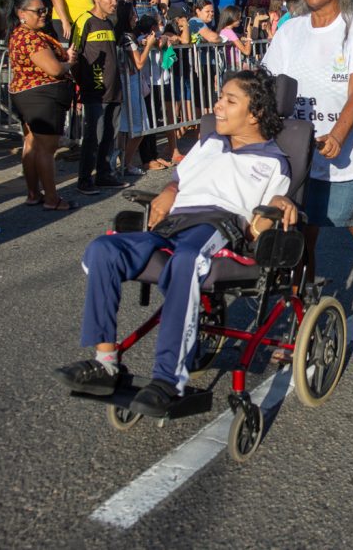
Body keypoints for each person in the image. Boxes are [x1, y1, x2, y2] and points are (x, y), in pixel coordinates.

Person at [53, 67, 296, 417]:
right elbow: (179, 181)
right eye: (219, 98)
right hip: (173, 225)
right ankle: (106, 363)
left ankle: (168, 380)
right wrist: (168, 190)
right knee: (104, 249)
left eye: (230, 101)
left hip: (218, 227)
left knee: (188, 259)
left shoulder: (274, 161)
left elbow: (273, 209)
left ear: (255, 112)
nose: (218, 107)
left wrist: (279, 204)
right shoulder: (209, 143)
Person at [261, 0, 353, 318]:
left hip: (348, 151)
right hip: (297, 151)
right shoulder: (289, 31)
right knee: (303, 233)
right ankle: (305, 309)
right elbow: (270, 86)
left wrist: (337, 135)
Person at [8, 0, 77, 210]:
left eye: (44, 10)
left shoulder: (21, 34)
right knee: (46, 149)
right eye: (38, 11)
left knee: (31, 144)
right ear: (21, 14)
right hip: (41, 95)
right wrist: (69, 63)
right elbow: (54, 69)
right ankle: (52, 198)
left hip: (27, 93)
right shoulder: (29, 37)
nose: (43, 14)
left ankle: (33, 194)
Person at [72, 0, 128, 195]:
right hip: (95, 90)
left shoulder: (110, 23)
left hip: (114, 89)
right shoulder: (85, 20)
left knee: (109, 135)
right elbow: (74, 55)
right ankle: (85, 179)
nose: (114, 3)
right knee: (93, 136)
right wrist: (83, 83)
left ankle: (104, 175)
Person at [113, 2, 159, 177]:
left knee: (126, 129)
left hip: (126, 84)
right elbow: (139, 63)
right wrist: (148, 45)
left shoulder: (124, 36)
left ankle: (123, 163)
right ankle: (126, 163)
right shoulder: (126, 37)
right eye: (132, 15)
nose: (136, 18)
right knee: (138, 129)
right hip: (129, 85)